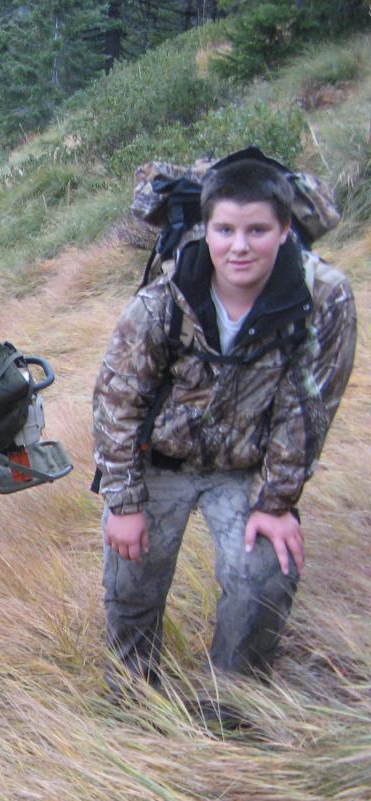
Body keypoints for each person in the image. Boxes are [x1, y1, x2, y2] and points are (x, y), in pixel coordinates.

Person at [93, 153, 356, 683]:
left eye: (257, 229)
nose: (240, 246)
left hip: (245, 468)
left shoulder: (322, 298)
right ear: (205, 231)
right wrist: (123, 502)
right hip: (159, 462)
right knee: (131, 584)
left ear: (284, 230)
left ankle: (230, 702)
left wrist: (277, 502)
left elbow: (308, 407)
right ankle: (133, 692)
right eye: (226, 230)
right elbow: (117, 402)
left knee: (265, 577)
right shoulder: (161, 301)